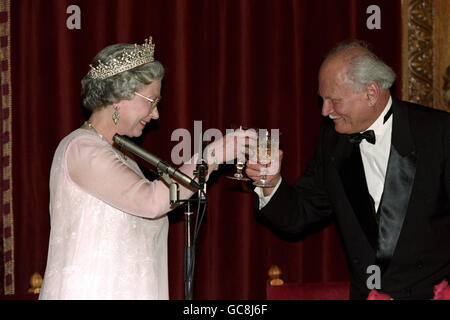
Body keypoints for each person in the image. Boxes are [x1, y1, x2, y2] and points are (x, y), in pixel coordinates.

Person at [39, 36, 251, 299]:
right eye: (151, 101)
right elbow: (152, 201)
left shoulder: (123, 156)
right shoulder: (82, 149)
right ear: (119, 96)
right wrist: (213, 156)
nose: (156, 114)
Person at [246, 40, 450, 300]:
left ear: (371, 93)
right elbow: (299, 214)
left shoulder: (438, 133)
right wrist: (269, 182)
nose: (324, 111)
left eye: (333, 100)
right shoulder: (332, 142)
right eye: (322, 99)